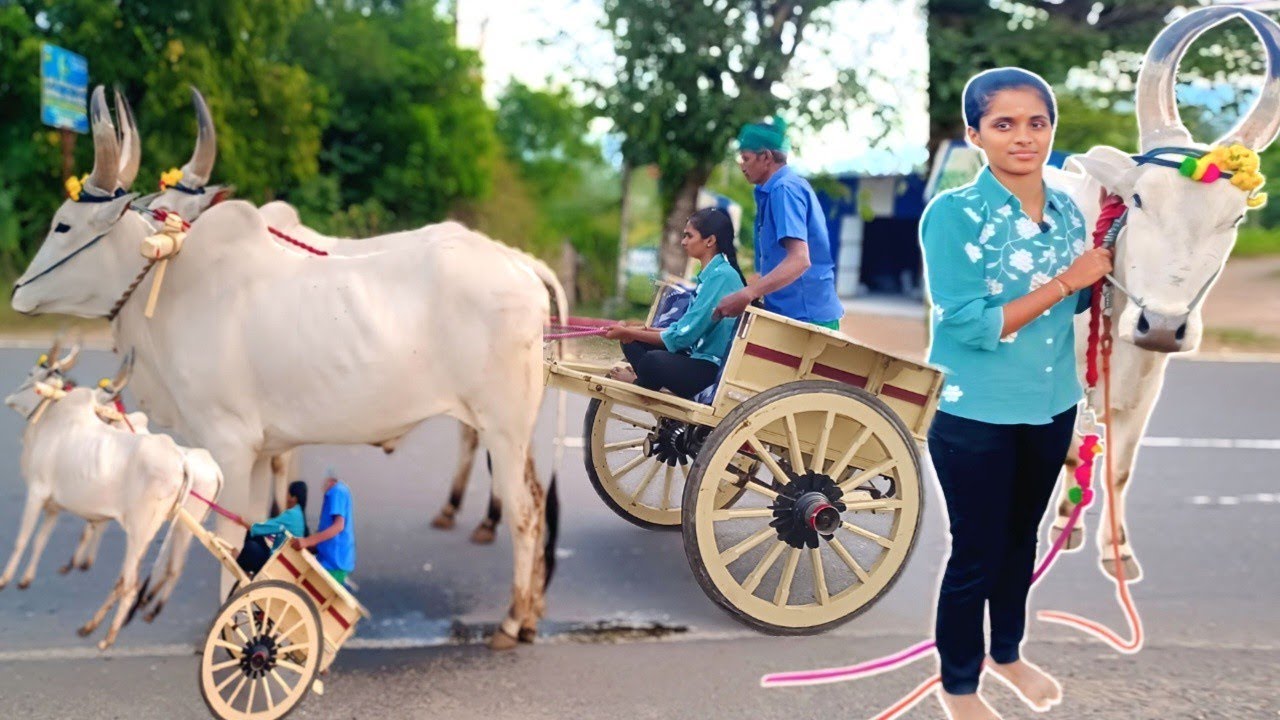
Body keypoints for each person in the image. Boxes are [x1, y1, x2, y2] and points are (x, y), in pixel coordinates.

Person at [920, 68, 1113, 720]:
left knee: (1021, 539)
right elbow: (971, 324)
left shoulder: (1065, 213)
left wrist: (1112, 252)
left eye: (1037, 122)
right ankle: (960, 685)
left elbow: (1085, 294)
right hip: (974, 413)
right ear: (976, 134)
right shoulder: (953, 216)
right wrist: (1067, 282)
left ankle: (1007, 652)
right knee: (975, 551)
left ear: (1051, 129)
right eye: (1004, 124)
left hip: (1050, 405)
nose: (1024, 138)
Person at [713, 115, 844, 330]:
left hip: (806, 317)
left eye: (745, 158)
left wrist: (749, 293)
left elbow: (800, 260)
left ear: (765, 157)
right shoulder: (775, 189)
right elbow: (778, 260)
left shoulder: (784, 190)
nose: (741, 166)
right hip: (793, 312)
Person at [604, 207, 746, 398]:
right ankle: (648, 382)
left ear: (710, 241)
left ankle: (643, 384)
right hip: (695, 356)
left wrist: (631, 331)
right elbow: (681, 329)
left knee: (652, 361)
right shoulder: (712, 274)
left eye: (689, 236)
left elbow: (684, 337)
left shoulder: (722, 277)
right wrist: (633, 331)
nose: (683, 241)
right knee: (631, 341)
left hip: (710, 368)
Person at [292, 470, 356, 586]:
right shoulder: (338, 492)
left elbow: (338, 526)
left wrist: (307, 541)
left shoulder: (336, 492)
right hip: (332, 560)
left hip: (334, 563)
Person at [234, 480, 308, 577]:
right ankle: (246, 565)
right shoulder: (299, 516)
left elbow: (266, 527)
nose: (286, 498)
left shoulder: (292, 515)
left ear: (293, 498)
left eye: (288, 494)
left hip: (275, 563)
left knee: (252, 546)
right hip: (281, 561)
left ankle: (241, 563)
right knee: (254, 536)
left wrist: (243, 523)